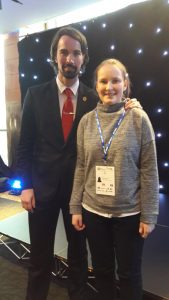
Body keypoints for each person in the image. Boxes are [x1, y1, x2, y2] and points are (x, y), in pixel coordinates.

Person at [16, 26, 142, 300]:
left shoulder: (95, 97)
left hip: (81, 196)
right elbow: (24, 145)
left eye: (75, 53)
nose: (69, 59)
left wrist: (132, 107)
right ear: (55, 56)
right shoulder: (35, 95)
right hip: (41, 191)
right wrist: (25, 185)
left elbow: (118, 117)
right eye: (64, 52)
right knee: (39, 260)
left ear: (84, 58)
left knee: (78, 261)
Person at [70, 58, 159, 300]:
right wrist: (75, 207)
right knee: (102, 272)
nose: (110, 86)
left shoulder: (139, 119)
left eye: (116, 80)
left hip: (129, 214)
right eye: (104, 81)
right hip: (93, 212)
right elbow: (80, 167)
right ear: (96, 85)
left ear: (125, 84)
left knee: (129, 275)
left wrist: (149, 215)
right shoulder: (86, 122)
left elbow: (149, 170)